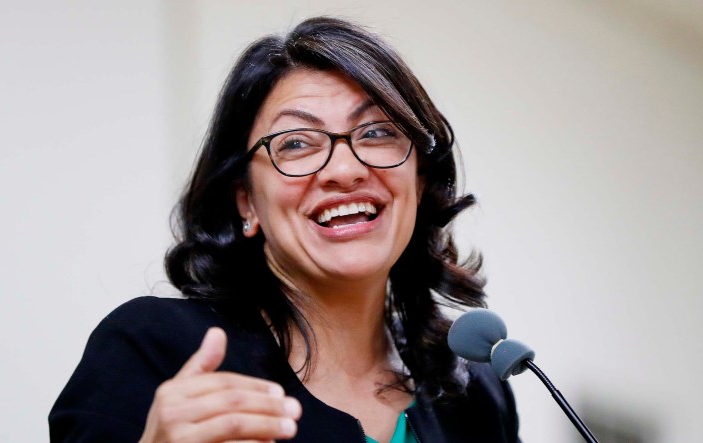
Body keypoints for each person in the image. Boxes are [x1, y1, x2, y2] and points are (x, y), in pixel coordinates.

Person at [49, 16, 520, 443]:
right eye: (296, 143)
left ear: (419, 182)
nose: (344, 169)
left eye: (377, 132)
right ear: (246, 201)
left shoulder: (475, 389)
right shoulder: (157, 352)